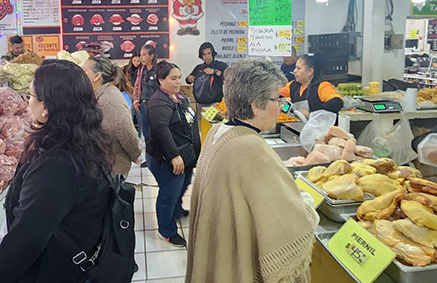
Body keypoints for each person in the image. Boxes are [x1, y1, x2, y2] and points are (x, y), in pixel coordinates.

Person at [186, 59, 319, 283]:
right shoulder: (250, 147)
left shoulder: (219, 130)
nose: (280, 105)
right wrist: (307, 202)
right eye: (276, 99)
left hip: (219, 249)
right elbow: (288, 221)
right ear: (256, 105)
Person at [0, 60, 114, 282]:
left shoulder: (56, 165)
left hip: (53, 270)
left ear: (46, 108)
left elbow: (28, 236)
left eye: (31, 97)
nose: (27, 104)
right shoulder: (84, 140)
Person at [146, 61, 200, 247]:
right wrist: (174, 156)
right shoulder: (158, 101)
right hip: (167, 158)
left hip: (185, 154)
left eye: (179, 77)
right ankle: (167, 230)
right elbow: (161, 130)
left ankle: (176, 211)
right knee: (168, 194)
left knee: (183, 185)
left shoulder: (178, 97)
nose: (178, 82)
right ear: (161, 80)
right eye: (173, 78)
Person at [82, 56, 141, 176]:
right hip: (102, 166)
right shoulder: (98, 95)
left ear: (97, 76)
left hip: (113, 169)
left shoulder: (110, 100)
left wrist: (135, 155)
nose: (80, 75)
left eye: (84, 71)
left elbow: (127, 134)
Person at [284, 53, 343, 119]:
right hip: (298, 127)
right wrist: (284, 107)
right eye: (295, 68)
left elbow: (337, 102)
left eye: (299, 68)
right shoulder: (293, 85)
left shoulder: (323, 86)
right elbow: (276, 92)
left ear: (310, 71)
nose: (294, 71)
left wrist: (311, 114)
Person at [133, 44, 158, 145]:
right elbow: (137, 86)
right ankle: (149, 157)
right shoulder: (141, 70)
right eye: (140, 55)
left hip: (155, 106)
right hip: (143, 105)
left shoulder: (158, 69)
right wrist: (135, 100)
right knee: (146, 134)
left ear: (151, 56)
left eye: (144, 55)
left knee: (156, 133)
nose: (141, 57)